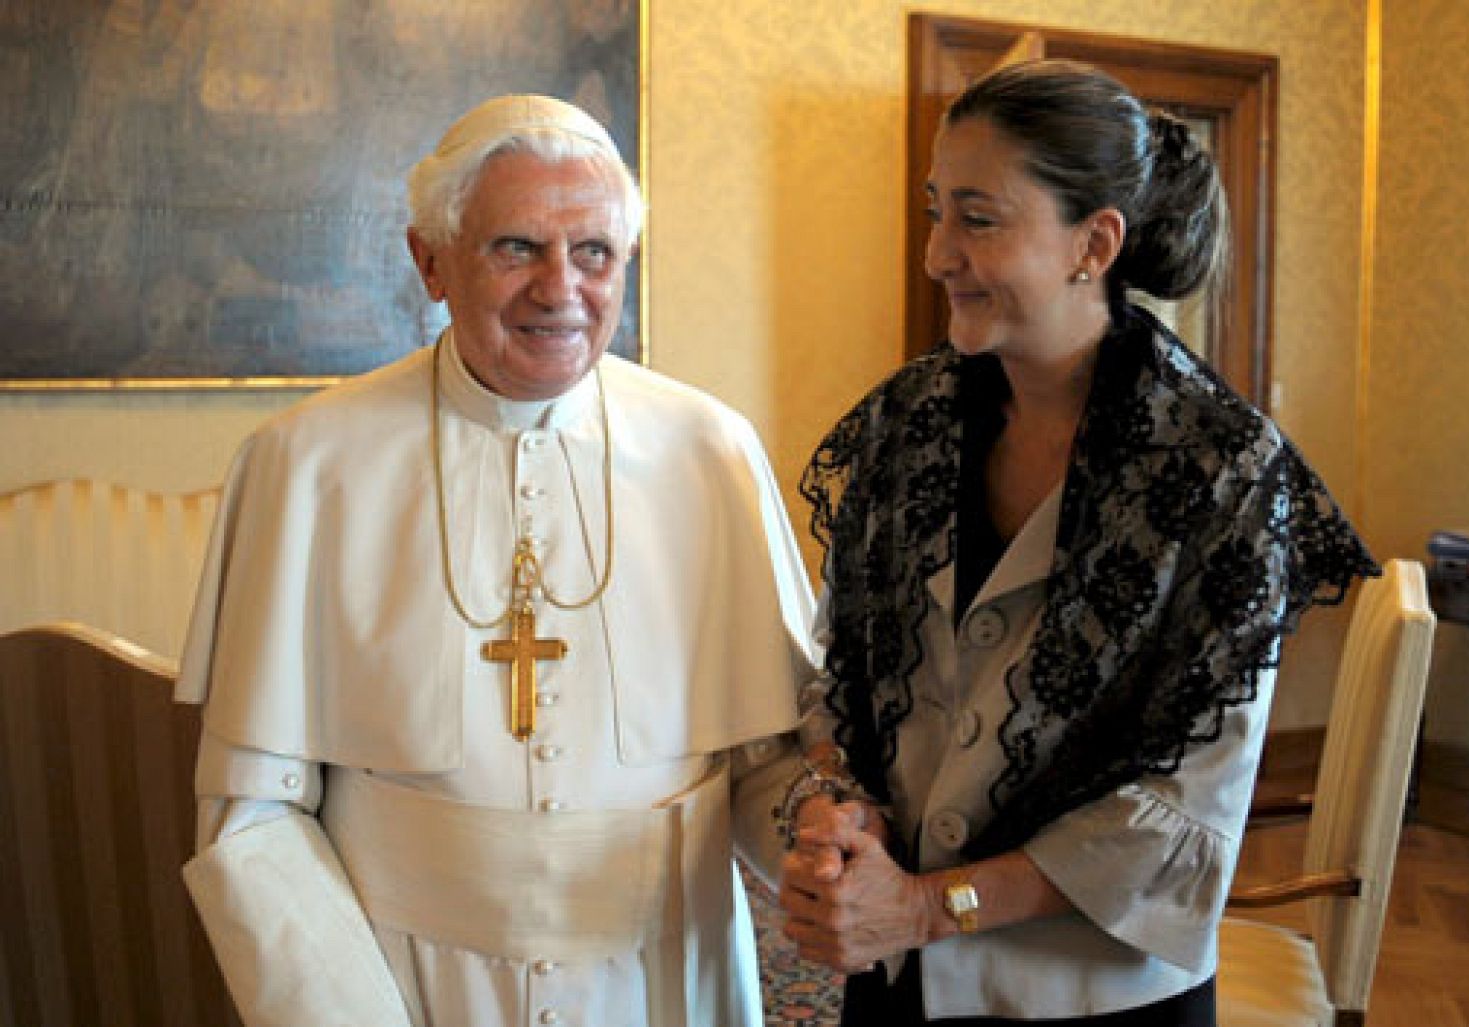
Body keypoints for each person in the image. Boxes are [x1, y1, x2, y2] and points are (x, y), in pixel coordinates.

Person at [176, 95, 816, 1026]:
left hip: (665, 984)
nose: (561, 289)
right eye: (516, 247)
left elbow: (767, 766)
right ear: (429, 260)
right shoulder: (305, 463)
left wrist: (822, 841)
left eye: (594, 252)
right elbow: (251, 818)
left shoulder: (709, 450)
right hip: (403, 983)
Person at [775, 60, 1379, 1025]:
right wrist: (836, 809)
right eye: (937, 210)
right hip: (897, 987)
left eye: (977, 218)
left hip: (1095, 1000)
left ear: (1093, 243)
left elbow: (1181, 810)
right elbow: (837, 679)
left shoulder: (1223, 469)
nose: (936, 252)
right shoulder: (902, 425)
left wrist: (927, 907)